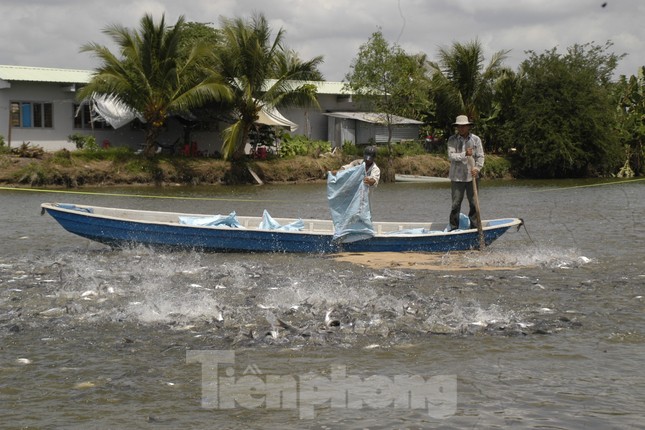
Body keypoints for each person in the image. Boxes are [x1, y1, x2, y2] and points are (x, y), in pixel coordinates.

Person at [447, 115, 485, 230]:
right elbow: (451, 156)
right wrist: (465, 154)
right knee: (455, 204)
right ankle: (453, 228)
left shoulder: (475, 140)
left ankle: (474, 228)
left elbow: (480, 156)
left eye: (464, 126)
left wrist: (477, 168)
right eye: (459, 126)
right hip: (457, 177)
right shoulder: (452, 140)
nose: (461, 128)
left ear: (468, 127)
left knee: (474, 203)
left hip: (471, 176)